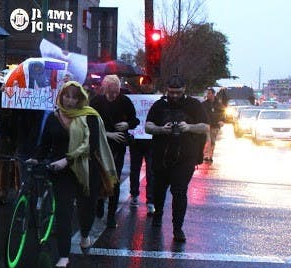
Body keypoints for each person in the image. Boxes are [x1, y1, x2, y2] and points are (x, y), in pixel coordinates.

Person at [31, 81, 117, 268]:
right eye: (66, 96)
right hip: (61, 173)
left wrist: (66, 160)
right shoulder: (54, 117)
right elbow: (45, 143)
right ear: (61, 96)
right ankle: (63, 255)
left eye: (74, 97)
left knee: (87, 209)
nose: (69, 101)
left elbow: (90, 145)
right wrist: (36, 159)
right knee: (64, 211)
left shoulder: (90, 116)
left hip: (87, 170)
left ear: (81, 99)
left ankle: (85, 233)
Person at [145, 75, 209, 243]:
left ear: (184, 90)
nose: (174, 96)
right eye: (171, 92)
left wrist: (188, 127)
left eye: (177, 92)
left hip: (185, 157)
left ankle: (177, 228)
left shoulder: (194, 105)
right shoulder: (160, 105)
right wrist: (161, 129)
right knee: (159, 190)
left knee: (179, 192)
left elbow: (204, 127)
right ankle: (158, 215)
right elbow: (148, 126)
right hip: (162, 156)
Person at [90, 75, 139, 228]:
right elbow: (89, 124)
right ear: (103, 89)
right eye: (110, 92)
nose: (113, 95)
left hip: (118, 148)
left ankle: (111, 215)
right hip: (100, 145)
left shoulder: (125, 101)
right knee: (98, 177)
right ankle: (99, 201)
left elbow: (135, 120)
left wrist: (127, 124)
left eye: (116, 92)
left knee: (114, 179)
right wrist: (107, 134)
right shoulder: (96, 101)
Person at [201, 87, 225, 163]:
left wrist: (222, 121)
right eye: (207, 93)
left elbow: (223, 114)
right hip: (206, 126)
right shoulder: (204, 104)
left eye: (209, 93)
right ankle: (205, 156)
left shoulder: (218, 104)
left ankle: (210, 156)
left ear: (213, 94)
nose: (208, 95)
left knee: (212, 141)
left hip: (215, 126)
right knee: (207, 141)